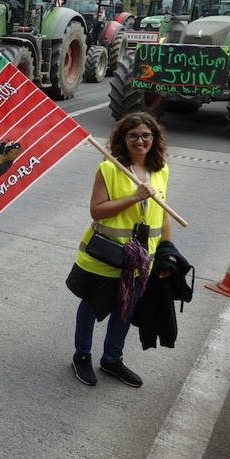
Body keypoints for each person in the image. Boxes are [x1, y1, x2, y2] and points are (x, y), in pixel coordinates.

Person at [67, 112, 173, 387]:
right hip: (106, 255)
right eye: (133, 135)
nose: (140, 141)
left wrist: (166, 253)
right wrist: (134, 198)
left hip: (140, 260)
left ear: (155, 138)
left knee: (125, 309)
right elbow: (97, 211)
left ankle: (112, 359)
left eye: (146, 135)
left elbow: (163, 214)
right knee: (91, 306)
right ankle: (82, 356)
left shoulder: (161, 169)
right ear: (123, 139)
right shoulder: (110, 168)